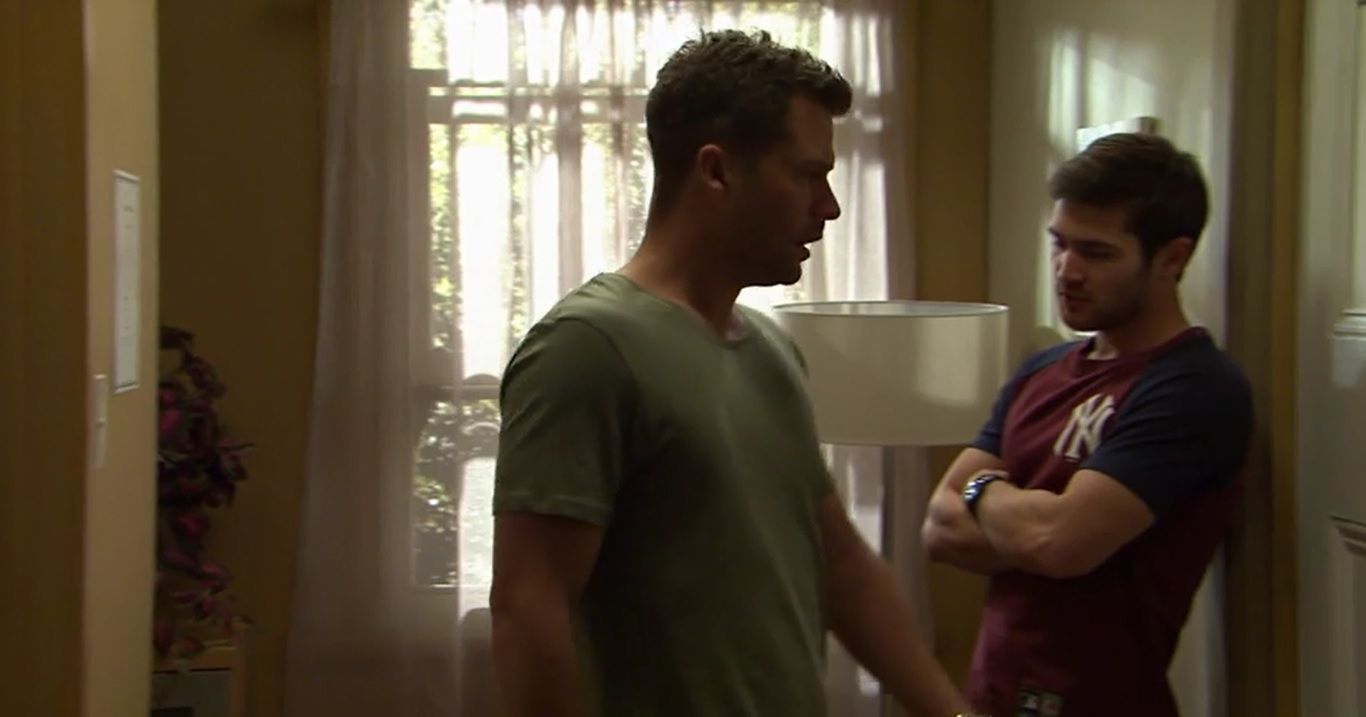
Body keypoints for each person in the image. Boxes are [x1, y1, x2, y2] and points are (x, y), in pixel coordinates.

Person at [491, 29, 973, 717]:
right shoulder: (587, 348)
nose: (830, 206)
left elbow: (842, 567)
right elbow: (529, 608)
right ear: (716, 171)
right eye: (807, 175)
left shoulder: (771, 350)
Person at [922, 133, 1254, 717]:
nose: (1066, 271)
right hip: (992, 694)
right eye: (1059, 244)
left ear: (1171, 259)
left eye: (1097, 253)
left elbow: (1059, 544)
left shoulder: (1193, 387)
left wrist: (983, 493)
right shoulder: (1042, 370)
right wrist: (1027, 516)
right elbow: (939, 527)